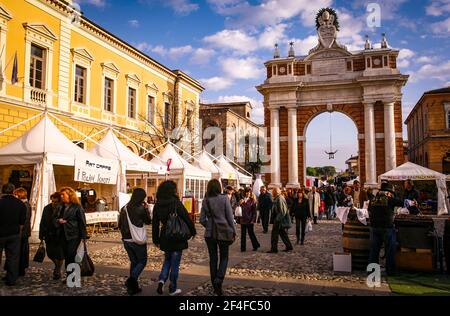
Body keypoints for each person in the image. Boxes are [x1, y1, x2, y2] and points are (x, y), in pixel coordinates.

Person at [152, 180, 196, 296]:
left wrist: (155, 240)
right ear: (172, 190)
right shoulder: (176, 203)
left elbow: (155, 224)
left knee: (167, 260)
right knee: (175, 263)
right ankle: (172, 288)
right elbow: (186, 218)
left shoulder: (158, 204)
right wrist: (193, 231)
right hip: (177, 236)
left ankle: (161, 280)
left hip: (165, 237)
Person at [200, 179, 236, 296]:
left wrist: (209, 225)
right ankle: (219, 280)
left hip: (210, 234)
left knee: (213, 258)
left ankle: (214, 284)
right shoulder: (224, 198)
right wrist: (233, 231)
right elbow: (230, 217)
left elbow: (201, 219)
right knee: (224, 257)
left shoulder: (206, 200)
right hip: (224, 232)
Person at [118, 188, 151, 295]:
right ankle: (131, 281)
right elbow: (148, 221)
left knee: (134, 262)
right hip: (137, 239)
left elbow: (119, 225)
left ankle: (133, 288)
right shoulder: (140, 208)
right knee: (142, 261)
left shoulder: (124, 208)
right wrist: (146, 209)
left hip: (126, 240)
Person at [368, 181, 403, 276]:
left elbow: (369, 210)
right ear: (388, 192)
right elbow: (402, 202)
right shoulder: (390, 199)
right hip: (387, 227)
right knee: (390, 250)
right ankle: (391, 271)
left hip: (374, 227)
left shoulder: (373, 200)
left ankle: (372, 271)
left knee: (374, 251)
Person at [55, 187, 88, 273]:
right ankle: (70, 275)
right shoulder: (60, 206)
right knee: (67, 256)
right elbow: (54, 218)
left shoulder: (77, 207)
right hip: (62, 234)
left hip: (73, 235)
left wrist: (83, 237)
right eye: (61, 195)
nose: (61, 196)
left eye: (63, 195)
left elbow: (82, 222)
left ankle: (72, 276)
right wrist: (58, 220)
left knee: (71, 255)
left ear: (69, 195)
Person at [0, 183, 27, 286]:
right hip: (14, 234)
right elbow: (22, 222)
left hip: (1, 233)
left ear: (2, 191)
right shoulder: (20, 204)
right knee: (13, 258)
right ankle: (11, 279)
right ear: (13, 191)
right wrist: (18, 233)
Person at [39, 192, 64, 280]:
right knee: (50, 253)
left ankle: (57, 270)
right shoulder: (47, 208)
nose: (53, 203)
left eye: (56, 202)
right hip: (49, 234)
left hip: (60, 235)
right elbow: (42, 222)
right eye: (52, 201)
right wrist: (41, 236)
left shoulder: (63, 209)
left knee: (60, 254)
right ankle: (58, 267)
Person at [267, 187, 293, 253]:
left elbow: (282, 211)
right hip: (279, 219)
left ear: (275, 192)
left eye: (273, 191)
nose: (272, 193)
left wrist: (277, 219)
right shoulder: (277, 198)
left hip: (279, 220)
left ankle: (274, 249)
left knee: (274, 234)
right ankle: (289, 246)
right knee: (283, 233)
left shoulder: (280, 198)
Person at [13, 188, 31, 277]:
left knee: (21, 251)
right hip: (23, 232)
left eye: (16, 195)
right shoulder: (23, 204)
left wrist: (20, 232)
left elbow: (25, 220)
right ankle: (19, 269)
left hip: (23, 233)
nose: (14, 196)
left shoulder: (25, 205)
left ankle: (20, 269)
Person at [239, 188, 260, 252]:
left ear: (250, 193)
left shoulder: (252, 201)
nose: (247, 193)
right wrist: (240, 203)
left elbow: (254, 212)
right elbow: (238, 209)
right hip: (243, 219)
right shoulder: (242, 200)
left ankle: (255, 245)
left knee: (251, 233)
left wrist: (253, 220)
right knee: (243, 234)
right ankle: (243, 248)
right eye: (246, 192)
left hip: (249, 219)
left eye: (249, 192)